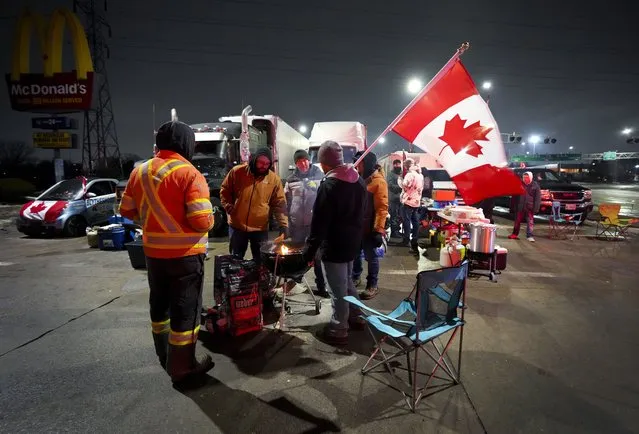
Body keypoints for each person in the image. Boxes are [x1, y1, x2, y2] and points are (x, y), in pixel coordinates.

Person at [119, 120, 215, 384]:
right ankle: (183, 367)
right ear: (186, 143)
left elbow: (125, 210)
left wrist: (153, 222)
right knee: (186, 312)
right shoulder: (189, 173)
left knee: (159, 308)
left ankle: (164, 354)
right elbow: (202, 221)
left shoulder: (139, 171)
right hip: (185, 257)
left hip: (153, 256)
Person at [303, 141, 367, 345]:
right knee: (347, 282)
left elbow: (319, 223)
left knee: (337, 289)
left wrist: (309, 252)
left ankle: (339, 329)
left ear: (325, 162)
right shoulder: (358, 181)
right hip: (352, 243)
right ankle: (356, 316)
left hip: (335, 245)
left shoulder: (329, 185)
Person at [220, 147, 288, 263]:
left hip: (260, 228)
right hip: (237, 226)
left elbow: (279, 204)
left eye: (267, 164)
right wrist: (228, 205)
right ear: (254, 159)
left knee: (260, 261)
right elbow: (225, 190)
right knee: (235, 260)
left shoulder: (274, 179)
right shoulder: (237, 172)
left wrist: (283, 225)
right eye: (261, 162)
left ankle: (258, 281)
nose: (264, 166)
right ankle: (237, 280)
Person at [283, 149, 327, 297]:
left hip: (313, 224)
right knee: (297, 254)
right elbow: (286, 202)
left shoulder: (319, 175)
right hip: (296, 225)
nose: (302, 163)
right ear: (296, 163)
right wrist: (286, 222)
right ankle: (296, 281)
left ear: (309, 160)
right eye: (299, 161)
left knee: (317, 256)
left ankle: (321, 286)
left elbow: (326, 197)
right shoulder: (291, 179)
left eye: (304, 160)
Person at [352, 151, 388, 300]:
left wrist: (378, 230)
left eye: (359, 162)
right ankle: (355, 277)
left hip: (369, 229)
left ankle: (372, 284)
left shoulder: (378, 182)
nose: (356, 166)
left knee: (371, 257)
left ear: (366, 163)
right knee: (355, 254)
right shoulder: (359, 179)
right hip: (356, 227)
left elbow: (382, 208)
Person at [399, 158, 424, 253]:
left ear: (406, 166)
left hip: (408, 201)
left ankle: (406, 240)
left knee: (406, 221)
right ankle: (414, 240)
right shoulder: (420, 175)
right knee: (415, 221)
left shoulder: (410, 174)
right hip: (416, 201)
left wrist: (400, 181)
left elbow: (405, 185)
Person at [509, 171, 541, 242]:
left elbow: (537, 199)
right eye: (524, 177)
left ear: (530, 177)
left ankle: (530, 235)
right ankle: (514, 234)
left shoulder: (535, 186)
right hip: (519, 206)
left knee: (530, 222)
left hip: (530, 207)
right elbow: (514, 197)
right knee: (517, 221)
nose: (525, 179)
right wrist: (512, 207)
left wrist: (536, 208)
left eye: (527, 177)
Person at [387, 159, 403, 239]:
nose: (398, 166)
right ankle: (394, 232)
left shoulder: (401, 174)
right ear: (393, 165)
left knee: (400, 216)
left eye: (399, 164)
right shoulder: (390, 174)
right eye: (396, 164)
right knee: (394, 215)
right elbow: (390, 185)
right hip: (393, 198)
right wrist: (400, 187)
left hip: (400, 199)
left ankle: (397, 230)